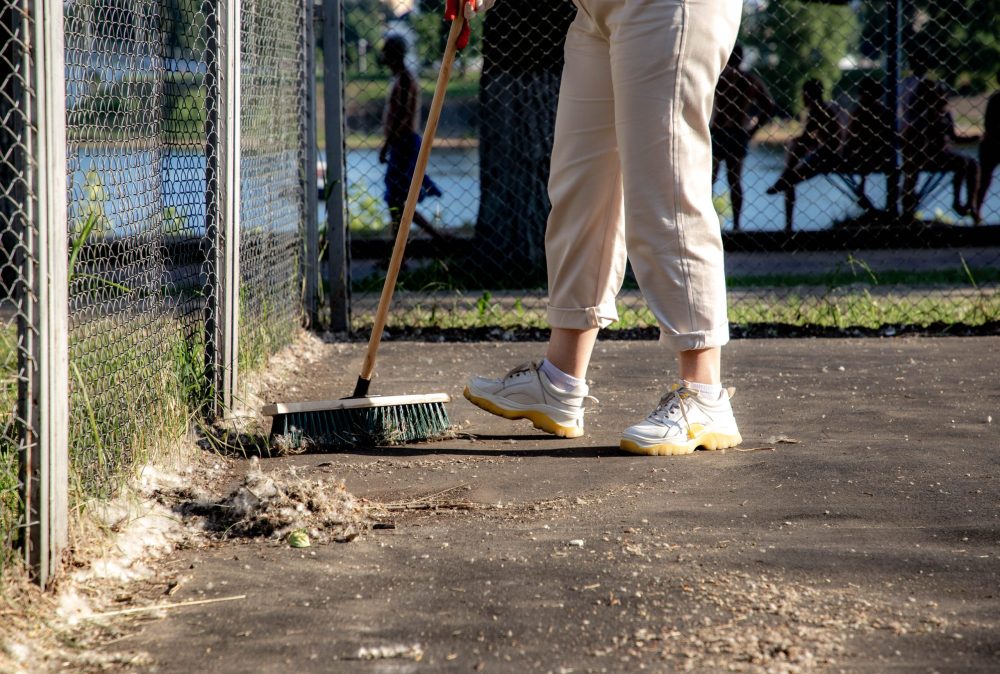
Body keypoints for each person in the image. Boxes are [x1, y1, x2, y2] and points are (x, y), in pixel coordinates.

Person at [461, 0, 744, 456]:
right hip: (596, 10)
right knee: (581, 190)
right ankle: (559, 382)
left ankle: (704, 392)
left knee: (665, 187)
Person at [378, 34, 445, 241]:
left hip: (404, 143)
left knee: (397, 199)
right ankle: (403, 249)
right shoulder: (402, 78)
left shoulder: (405, 80)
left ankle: (436, 238)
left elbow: (403, 117)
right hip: (401, 143)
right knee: (396, 199)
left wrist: (387, 144)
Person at [765, 79, 845, 231]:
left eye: (803, 94)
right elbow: (813, 138)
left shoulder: (818, 111)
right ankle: (786, 176)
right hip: (828, 153)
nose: (802, 98)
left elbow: (806, 138)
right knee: (794, 154)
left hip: (830, 156)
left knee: (791, 172)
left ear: (809, 95)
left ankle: (785, 180)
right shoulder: (825, 108)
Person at [711, 44, 775, 231]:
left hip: (720, 131)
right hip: (738, 132)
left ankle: (709, 224)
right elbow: (769, 106)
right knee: (735, 181)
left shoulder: (719, 78)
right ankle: (737, 225)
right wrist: (751, 130)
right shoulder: (749, 81)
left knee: (710, 179)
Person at [901, 79, 978, 220]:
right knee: (914, 170)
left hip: (941, 154)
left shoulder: (944, 114)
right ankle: (909, 204)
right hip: (922, 156)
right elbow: (910, 138)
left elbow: (954, 138)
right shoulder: (920, 115)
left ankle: (966, 203)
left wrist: (974, 138)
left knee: (970, 162)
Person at [844, 76, 896, 207]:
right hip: (877, 156)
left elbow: (850, 137)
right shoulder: (882, 111)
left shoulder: (861, 112)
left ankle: (869, 202)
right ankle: (885, 207)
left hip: (867, 156)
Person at [975, 73, 1000, 223]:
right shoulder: (996, 99)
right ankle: (976, 211)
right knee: (985, 179)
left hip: (991, 143)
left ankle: (976, 211)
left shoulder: (995, 99)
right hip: (993, 143)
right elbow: (989, 125)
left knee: (985, 179)